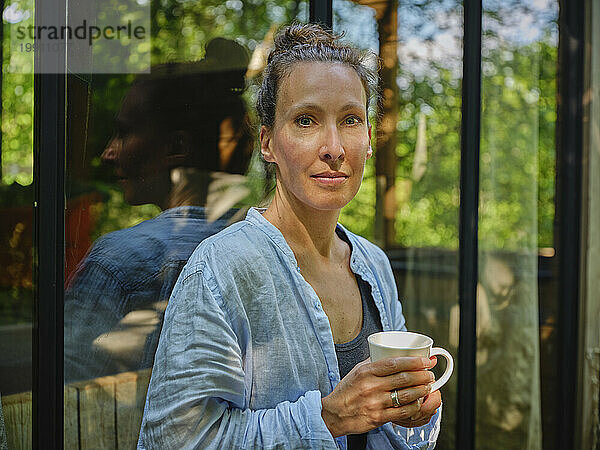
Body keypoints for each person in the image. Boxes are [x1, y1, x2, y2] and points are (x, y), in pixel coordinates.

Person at [138, 23, 442, 449]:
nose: (334, 147)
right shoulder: (221, 269)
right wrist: (328, 418)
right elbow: (176, 442)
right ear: (268, 143)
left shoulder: (373, 264)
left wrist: (414, 413)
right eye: (306, 120)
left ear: (369, 140)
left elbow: (391, 425)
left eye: (351, 120)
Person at [63, 38, 254, 383]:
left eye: (123, 133)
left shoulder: (118, 261)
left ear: (176, 146)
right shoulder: (266, 245)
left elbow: (66, 394)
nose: (109, 153)